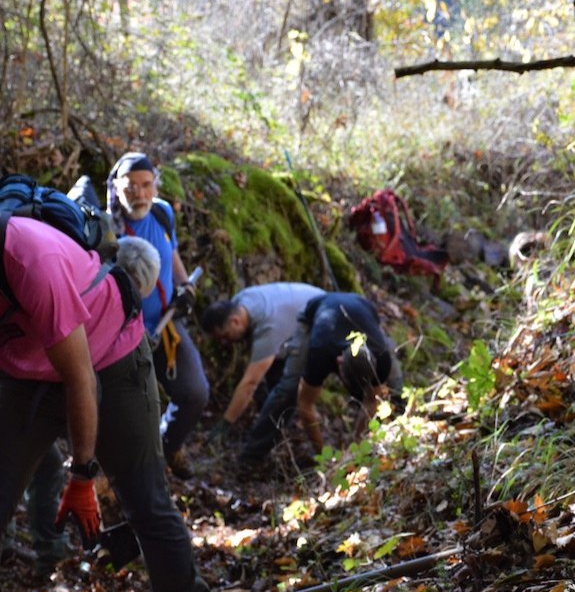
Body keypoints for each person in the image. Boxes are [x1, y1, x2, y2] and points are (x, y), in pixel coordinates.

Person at [0, 219, 211, 592]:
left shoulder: (33, 262)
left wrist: (81, 475)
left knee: (143, 493)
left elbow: (82, 380)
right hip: (22, 378)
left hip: (107, 357)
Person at [107, 152, 208, 477]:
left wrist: (184, 287)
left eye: (146, 185)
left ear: (155, 185)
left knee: (194, 392)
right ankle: (137, 472)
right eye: (131, 187)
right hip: (126, 335)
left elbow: (172, 254)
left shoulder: (162, 213)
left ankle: (170, 446)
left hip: (167, 325)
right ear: (116, 187)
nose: (139, 194)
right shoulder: (107, 229)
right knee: (139, 410)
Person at [237, 292, 403, 463]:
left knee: (395, 388)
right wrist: (324, 458)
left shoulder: (381, 358)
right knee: (288, 388)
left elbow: (372, 402)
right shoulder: (320, 352)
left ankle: (402, 438)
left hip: (362, 307)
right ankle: (251, 455)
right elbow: (305, 405)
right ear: (338, 362)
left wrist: (355, 449)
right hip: (314, 314)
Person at [199, 281, 325, 448]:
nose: (224, 343)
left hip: (321, 321)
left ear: (235, 321)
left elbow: (250, 383)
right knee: (273, 378)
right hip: (301, 314)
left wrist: (225, 424)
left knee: (285, 390)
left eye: (225, 336)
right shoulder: (241, 300)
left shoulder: (268, 327)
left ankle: (263, 446)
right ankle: (274, 423)